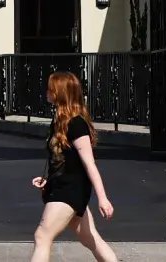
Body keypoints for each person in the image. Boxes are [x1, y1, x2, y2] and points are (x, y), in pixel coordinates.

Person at [29, 70, 119, 261]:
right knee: (90, 239)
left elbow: (89, 164)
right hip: (62, 187)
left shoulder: (77, 124)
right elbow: (64, 160)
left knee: (42, 236)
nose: (47, 92)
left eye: (51, 88)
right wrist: (48, 180)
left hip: (70, 191)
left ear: (61, 93)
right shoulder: (59, 122)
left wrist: (103, 198)